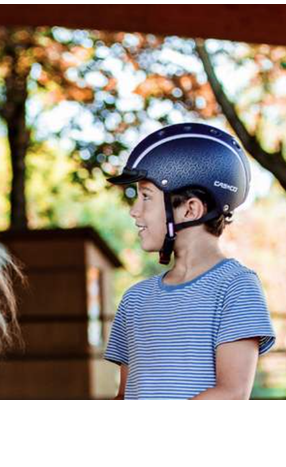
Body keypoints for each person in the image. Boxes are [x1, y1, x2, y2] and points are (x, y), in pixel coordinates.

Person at [105, 122, 275, 399]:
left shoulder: (236, 287)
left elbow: (232, 393)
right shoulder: (133, 300)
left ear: (190, 209)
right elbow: (125, 396)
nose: (134, 211)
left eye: (146, 196)